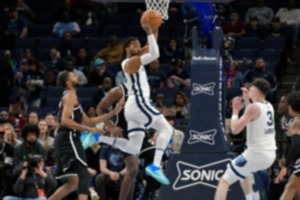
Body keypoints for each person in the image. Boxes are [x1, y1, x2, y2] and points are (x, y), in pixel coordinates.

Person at [97, 18, 173, 185]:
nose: (138, 47)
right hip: (138, 102)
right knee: (167, 129)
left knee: (133, 148)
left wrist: (154, 27)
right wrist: (148, 31)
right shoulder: (130, 62)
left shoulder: (136, 58)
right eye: (134, 44)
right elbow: (155, 54)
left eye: (139, 44)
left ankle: (98, 138)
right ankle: (155, 166)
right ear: (126, 48)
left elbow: (151, 45)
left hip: (133, 107)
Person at [48, 71, 123, 200]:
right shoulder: (70, 95)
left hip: (68, 138)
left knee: (74, 183)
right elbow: (65, 121)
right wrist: (89, 129)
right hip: (69, 138)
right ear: (68, 82)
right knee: (83, 174)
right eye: (73, 76)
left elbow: (89, 121)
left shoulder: (72, 97)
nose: (77, 76)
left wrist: (114, 112)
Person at [214, 78, 277, 200]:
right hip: (269, 155)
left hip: (256, 154)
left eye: (251, 88)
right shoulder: (269, 105)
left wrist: (235, 111)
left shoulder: (253, 108)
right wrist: (247, 99)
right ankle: (251, 197)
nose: (249, 90)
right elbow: (253, 114)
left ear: (256, 91)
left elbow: (235, 130)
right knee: (244, 172)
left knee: (224, 180)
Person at [96, 84, 139, 200]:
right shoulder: (118, 91)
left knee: (133, 171)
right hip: (123, 135)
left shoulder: (144, 89)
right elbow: (100, 108)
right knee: (133, 169)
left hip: (137, 134)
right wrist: (111, 127)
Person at [275, 91, 300, 200]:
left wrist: (285, 167)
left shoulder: (296, 122)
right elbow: (293, 142)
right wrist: (286, 156)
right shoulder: (288, 121)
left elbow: (296, 143)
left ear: (290, 105)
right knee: (296, 189)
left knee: (290, 187)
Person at [0, 127, 14, 198]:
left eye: (1, 137)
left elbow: (8, 164)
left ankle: (5, 195)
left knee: (7, 173)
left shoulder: (9, 148)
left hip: (5, 171)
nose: (0, 139)